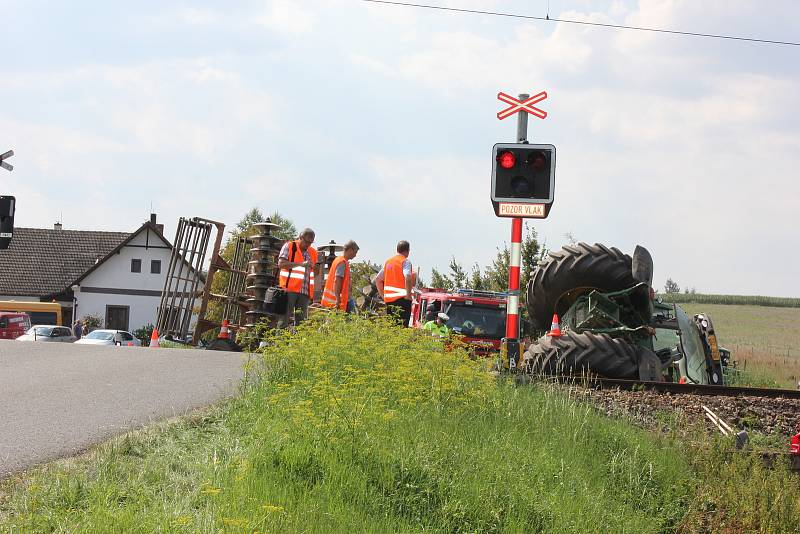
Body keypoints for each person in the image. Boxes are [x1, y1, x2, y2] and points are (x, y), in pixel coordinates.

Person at [277, 228, 318, 329]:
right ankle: (279, 343)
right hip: (289, 290)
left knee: (302, 323)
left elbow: (315, 273)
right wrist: (301, 264)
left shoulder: (313, 252)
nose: (308, 244)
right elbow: (281, 264)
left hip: (305, 292)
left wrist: (315, 268)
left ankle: (297, 344)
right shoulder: (290, 246)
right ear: (300, 237)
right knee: (284, 320)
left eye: (311, 242)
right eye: (307, 241)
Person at [376, 240, 415, 327]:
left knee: (392, 327)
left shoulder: (388, 262)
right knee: (401, 328)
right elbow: (408, 277)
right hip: (403, 300)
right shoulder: (405, 261)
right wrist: (408, 296)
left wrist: (383, 296)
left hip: (389, 301)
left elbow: (378, 279)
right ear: (407, 251)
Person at [321, 240, 359, 312]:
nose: (355, 255)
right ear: (350, 250)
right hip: (338, 300)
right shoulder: (342, 262)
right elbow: (337, 280)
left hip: (339, 300)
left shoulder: (339, 260)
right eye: (355, 252)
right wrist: (338, 299)